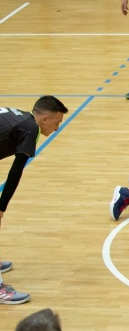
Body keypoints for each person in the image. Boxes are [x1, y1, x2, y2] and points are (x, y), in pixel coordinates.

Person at [0, 95, 68, 305]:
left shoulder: (21, 117)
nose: (56, 129)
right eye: (57, 123)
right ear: (45, 118)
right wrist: (2, 206)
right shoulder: (30, 129)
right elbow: (16, 171)